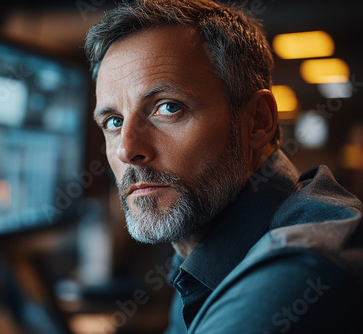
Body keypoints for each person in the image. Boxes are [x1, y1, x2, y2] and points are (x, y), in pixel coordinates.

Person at [85, 0, 363, 333]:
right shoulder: (198, 250)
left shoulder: (301, 270)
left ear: (258, 121)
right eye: (114, 120)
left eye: (168, 108)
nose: (128, 149)